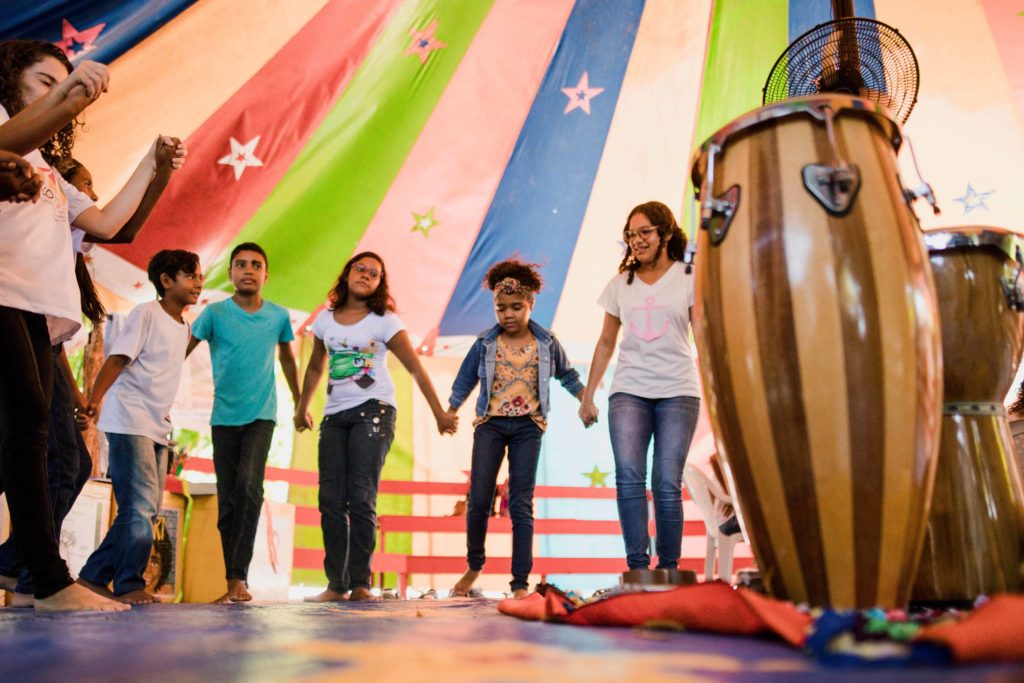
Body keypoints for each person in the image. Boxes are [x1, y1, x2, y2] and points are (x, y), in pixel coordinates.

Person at [0, 37, 177, 612]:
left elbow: (109, 223)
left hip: (34, 310)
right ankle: (46, 579)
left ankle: (36, 576)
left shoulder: (49, 172)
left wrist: (152, 167)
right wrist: (72, 96)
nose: (59, 94)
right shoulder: (4, 127)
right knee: (30, 431)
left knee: (34, 435)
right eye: (45, 82)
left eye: (64, 83)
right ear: (10, 82)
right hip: (3, 295)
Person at [294, 252, 457, 602]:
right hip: (334, 416)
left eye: (375, 273)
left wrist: (439, 413)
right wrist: (301, 407)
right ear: (347, 273)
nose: (366, 275)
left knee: (360, 495)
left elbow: (415, 368)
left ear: (380, 283)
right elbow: (315, 367)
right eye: (361, 269)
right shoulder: (324, 320)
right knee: (330, 499)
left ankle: (360, 584)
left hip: (374, 411)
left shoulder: (385, 321)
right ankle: (335, 585)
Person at [447, 259, 585, 599]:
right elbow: (465, 379)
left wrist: (586, 399)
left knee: (521, 503)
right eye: (501, 308)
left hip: (528, 428)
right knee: (479, 498)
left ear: (530, 303)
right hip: (490, 426)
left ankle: (520, 582)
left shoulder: (546, 342)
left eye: (516, 307)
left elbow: (567, 375)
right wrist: (450, 410)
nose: (508, 314)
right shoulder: (485, 342)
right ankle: (474, 565)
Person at [579, 201, 701, 572]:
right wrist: (588, 397)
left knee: (666, 482)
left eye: (645, 232)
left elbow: (704, 338)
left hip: (679, 391)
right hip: (629, 391)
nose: (637, 240)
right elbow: (605, 343)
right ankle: (637, 569)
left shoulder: (689, 277)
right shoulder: (621, 284)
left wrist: (718, 392)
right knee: (629, 478)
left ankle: (668, 569)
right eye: (631, 235)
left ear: (666, 232)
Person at [77, 250, 202, 604]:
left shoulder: (185, 327)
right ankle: (129, 583)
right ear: (166, 280)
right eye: (191, 275)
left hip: (156, 425)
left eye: (199, 276)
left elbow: (161, 375)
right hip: (130, 419)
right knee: (140, 507)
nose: (198, 283)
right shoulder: (145, 313)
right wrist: (94, 400)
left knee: (144, 508)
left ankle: (92, 577)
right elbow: (118, 359)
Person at [187, 242, 300, 604]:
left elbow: (288, 359)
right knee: (229, 499)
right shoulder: (214, 314)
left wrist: (300, 402)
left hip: (261, 416)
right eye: (240, 264)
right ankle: (232, 577)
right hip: (223, 417)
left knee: (250, 487)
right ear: (230, 273)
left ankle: (238, 580)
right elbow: (180, 350)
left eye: (255, 265)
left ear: (266, 274)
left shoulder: (278, 316)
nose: (248, 270)